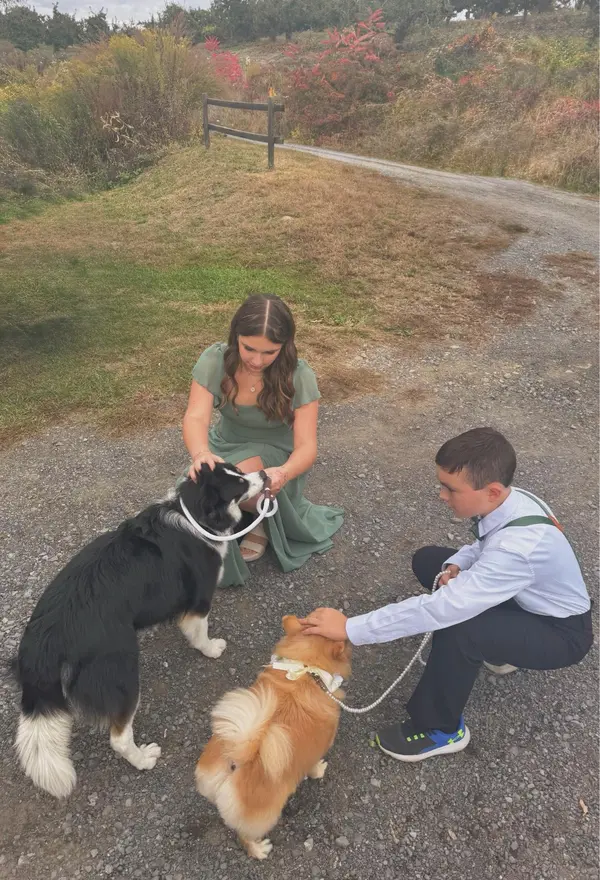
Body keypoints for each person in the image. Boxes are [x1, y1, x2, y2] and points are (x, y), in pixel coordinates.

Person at [300, 427, 593, 762]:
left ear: (492, 491)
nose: (441, 495)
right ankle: (501, 647)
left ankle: (440, 729)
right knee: (430, 562)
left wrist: (350, 627)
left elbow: (442, 608)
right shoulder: (513, 500)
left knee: (460, 628)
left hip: (562, 633)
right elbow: (487, 544)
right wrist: (458, 563)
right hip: (528, 601)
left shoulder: (517, 549)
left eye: (450, 488)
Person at [182, 293, 344, 587]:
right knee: (192, 494)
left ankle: (259, 524)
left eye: (270, 352)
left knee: (223, 489)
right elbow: (195, 417)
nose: (257, 361)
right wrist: (201, 453)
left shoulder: (299, 376)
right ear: (236, 336)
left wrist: (283, 472)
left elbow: (307, 447)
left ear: (286, 345)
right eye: (249, 348)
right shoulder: (214, 360)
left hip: (276, 454)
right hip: (224, 443)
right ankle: (249, 516)